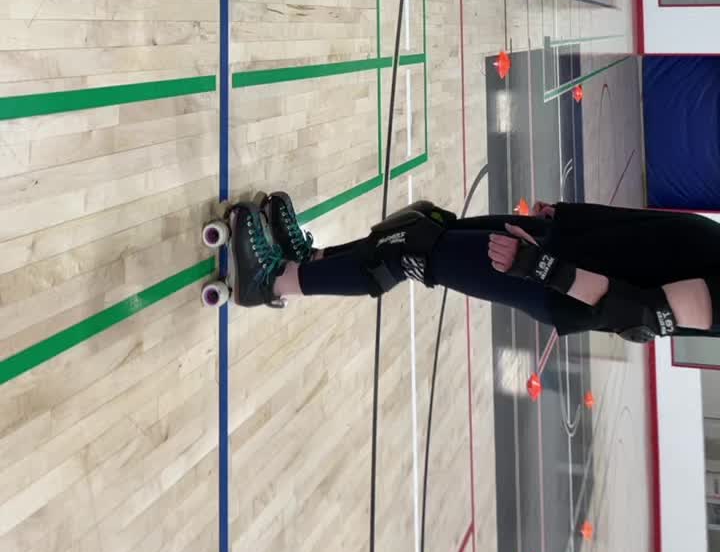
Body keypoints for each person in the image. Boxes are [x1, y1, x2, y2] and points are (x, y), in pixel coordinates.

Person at [211, 193, 720, 343]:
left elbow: (637, 315)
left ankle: (271, 282)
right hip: (563, 242)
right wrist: (571, 216)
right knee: (422, 226)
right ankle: (309, 259)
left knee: (412, 251)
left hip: (552, 278)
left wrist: (544, 268)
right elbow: (655, 233)